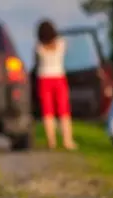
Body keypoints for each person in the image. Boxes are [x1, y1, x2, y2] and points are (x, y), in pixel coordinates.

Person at [35, 19, 77, 150]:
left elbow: (36, 63)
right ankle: (67, 141)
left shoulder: (38, 47)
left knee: (48, 112)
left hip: (43, 78)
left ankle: (51, 141)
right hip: (59, 78)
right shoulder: (61, 44)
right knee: (64, 111)